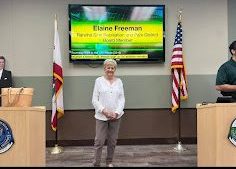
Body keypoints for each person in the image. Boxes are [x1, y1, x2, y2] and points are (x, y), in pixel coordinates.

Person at [92, 59, 125, 167]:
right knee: (99, 141)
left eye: (112, 68)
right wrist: (104, 111)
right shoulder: (98, 81)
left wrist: (116, 112)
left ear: (115, 69)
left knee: (112, 141)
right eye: (108, 67)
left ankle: (109, 162)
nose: (110, 70)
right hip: (101, 116)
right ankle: (96, 164)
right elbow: (94, 100)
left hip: (116, 117)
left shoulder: (119, 82)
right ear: (104, 68)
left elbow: (122, 99)